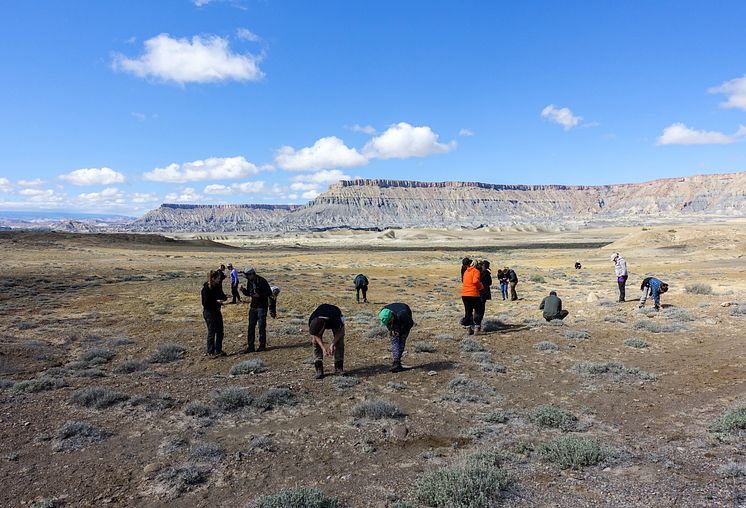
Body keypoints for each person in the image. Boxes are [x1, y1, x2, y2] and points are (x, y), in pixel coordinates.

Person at [308, 304, 346, 379]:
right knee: (315, 342)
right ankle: (319, 368)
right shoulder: (311, 320)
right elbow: (316, 335)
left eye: (320, 332)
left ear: (323, 327)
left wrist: (332, 345)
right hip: (321, 312)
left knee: (339, 342)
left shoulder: (335, 320)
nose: (319, 334)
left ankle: (338, 367)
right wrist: (323, 348)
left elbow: (341, 332)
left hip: (334, 313)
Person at [240, 266, 272, 352]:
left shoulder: (262, 281)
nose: (247, 278)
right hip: (253, 307)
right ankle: (251, 347)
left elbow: (269, 292)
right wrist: (243, 291)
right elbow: (250, 293)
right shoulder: (249, 282)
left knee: (261, 327)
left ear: (252, 274)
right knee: (251, 327)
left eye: (247, 276)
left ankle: (262, 346)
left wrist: (260, 295)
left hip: (262, 307)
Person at [379, 303, 414, 373]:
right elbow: (387, 323)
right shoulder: (383, 312)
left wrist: (401, 331)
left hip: (405, 322)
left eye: (389, 321)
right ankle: (396, 363)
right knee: (394, 340)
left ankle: (397, 363)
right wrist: (391, 329)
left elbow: (410, 324)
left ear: (392, 317)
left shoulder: (403, 314)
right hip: (395, 316)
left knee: (401, 340)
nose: (388, 323)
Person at [201, 270, 227, 357]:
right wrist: (217, 302)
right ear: (213, 278)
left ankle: (218, 350)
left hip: (216, 311)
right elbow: (205, 302)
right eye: (218, 278)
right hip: (209, 312)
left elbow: (222, 296)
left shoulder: (217, 286)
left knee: (220, 331)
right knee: (211, 332)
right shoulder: (206, 288)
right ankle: (210, 351)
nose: (220, 280)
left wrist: (225, 297)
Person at [461, 259, 484, 334]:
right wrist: (481, 287)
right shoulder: (476, 271)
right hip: (473, 294)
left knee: (468, 311)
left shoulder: (465, 272)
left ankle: (468, 328)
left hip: (464, 294)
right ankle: (477, 328)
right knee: (478, 310)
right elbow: (475, 281)